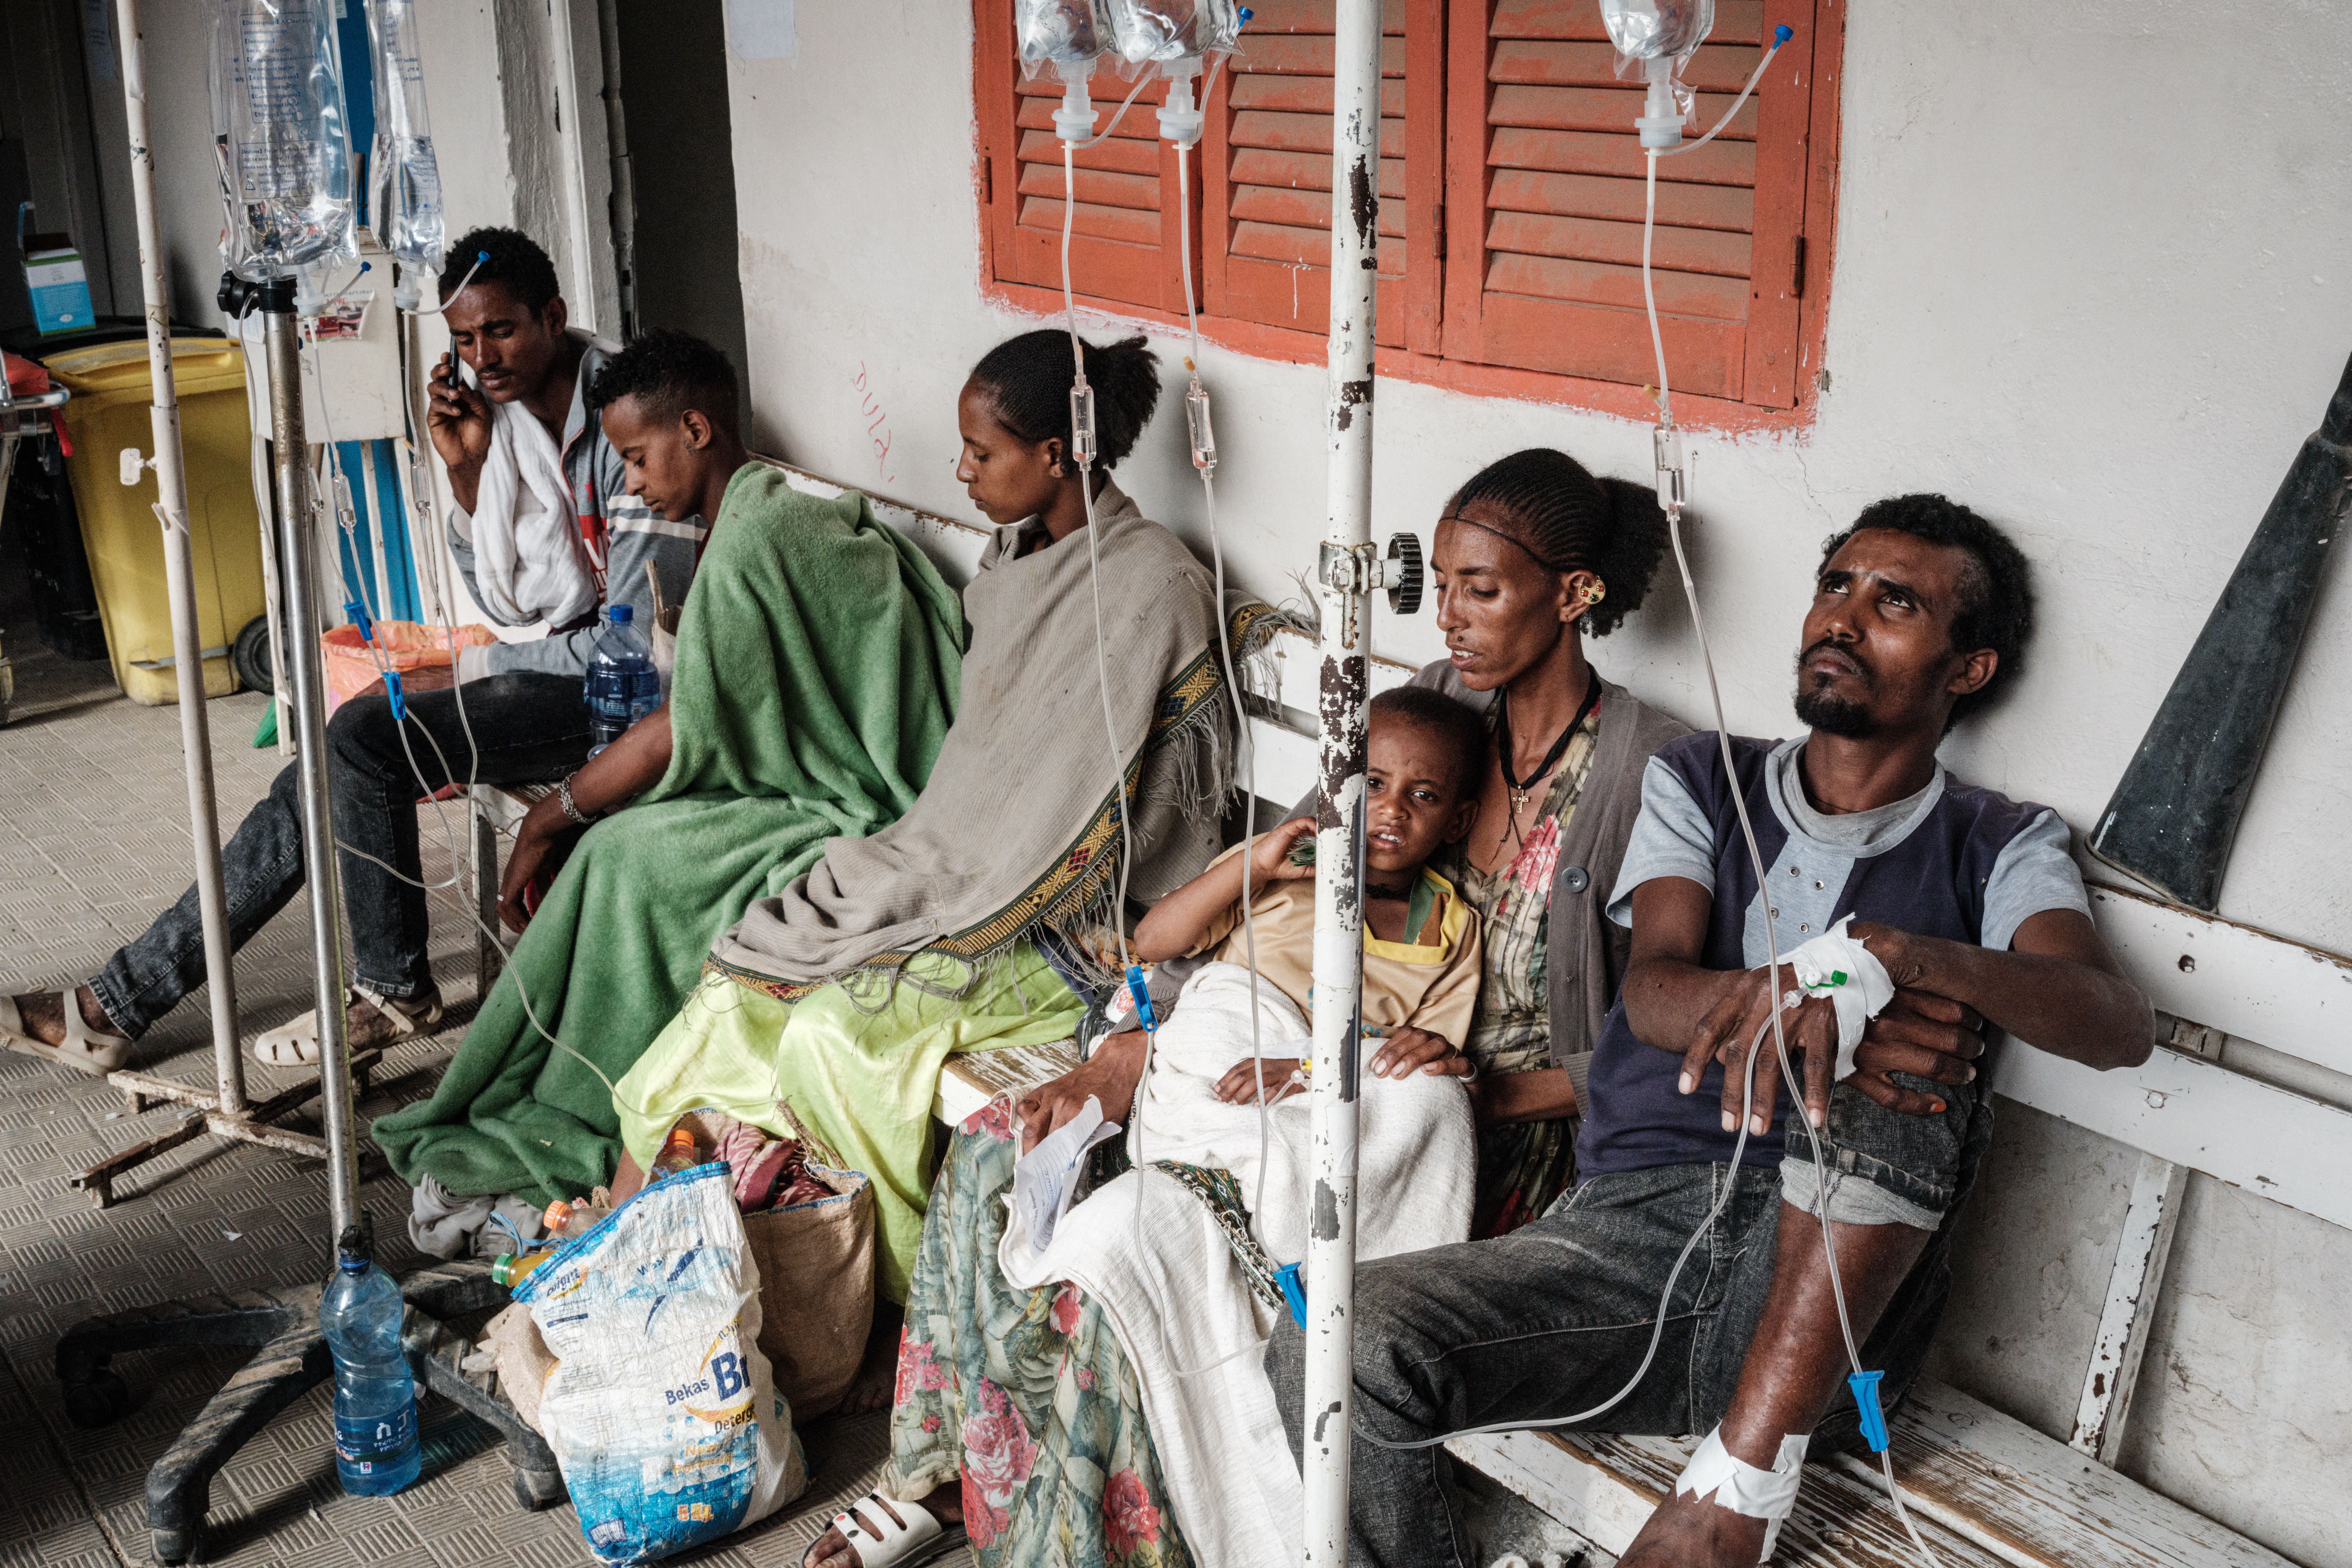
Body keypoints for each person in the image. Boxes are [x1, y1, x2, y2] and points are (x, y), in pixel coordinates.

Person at [827, 449, 1685, 1568]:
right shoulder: (1429, 713)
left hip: (1470, 1129)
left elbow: (1661, 1043)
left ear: (1574, 596)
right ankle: (961, 1481)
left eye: (1486, 590)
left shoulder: (1649, 769)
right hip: (1291, 1062)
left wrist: (1418, 1081)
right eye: (1449, 584)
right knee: (1006, 1147)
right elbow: (1273, 901)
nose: (1456, 617)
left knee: (1139, 1261)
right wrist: (1132, 1047)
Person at [1266, 494, 2156, 1568]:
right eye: (1836, 586)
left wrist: (1900, 959)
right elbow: (1656, 991)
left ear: (1967, 669)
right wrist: (1816, 987)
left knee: (1911, 1023)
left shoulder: (1999, 843)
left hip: (1827, 1305)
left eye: (1896, 603)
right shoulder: (1704, 777)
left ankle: (1738, 1483)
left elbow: (2115, 1024)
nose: (1843, 617)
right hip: (1626, 1247)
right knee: (1333, 1335)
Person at [605, 328, 1262, 1326]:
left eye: (982, 452)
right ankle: (639, 1253)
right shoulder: (1012, 562)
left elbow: (1130, 819)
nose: (960, 470)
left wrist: (990, 877)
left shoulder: (1151, 588)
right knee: (735, 989)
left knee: (836, 1037)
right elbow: (990, 766)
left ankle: (902, 1321)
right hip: (947, 866)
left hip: (1064, 930)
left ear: (1057, 454)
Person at [0, 227, 702, 1074]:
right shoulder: (506, 423)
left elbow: (628, 652)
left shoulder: (630, 416)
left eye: (504, 330)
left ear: (553, 315)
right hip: (556, 661)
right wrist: (466, 473)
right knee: (328, 767)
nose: (484, 357)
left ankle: (393, 984)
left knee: (360, 738)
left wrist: (477, 669)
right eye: (467, 339)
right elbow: (509, 598)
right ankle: (115, 1003)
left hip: (623, 701)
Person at [371, 330, 965, 1216]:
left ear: (696, 429)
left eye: (638, 460)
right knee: (616, 849)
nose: (637, 486)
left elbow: (690, 725)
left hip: (846, 800)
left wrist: (549, 817)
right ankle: (578, 1078)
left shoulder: (758, 534)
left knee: (626, 861)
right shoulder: (745, 527)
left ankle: (592, 1095)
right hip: (797, 782)